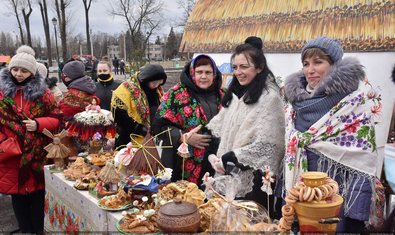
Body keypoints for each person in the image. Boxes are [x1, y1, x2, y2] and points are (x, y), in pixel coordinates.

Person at [280, 37, 384, 233]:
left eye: (318, 62)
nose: (310, 70)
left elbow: (362, 162)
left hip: (338, 201)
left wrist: (356, 218)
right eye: (305, 64)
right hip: (301, 196)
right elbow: (288, 155)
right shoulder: (295, 106)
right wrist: (283, 196)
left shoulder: (354, 106)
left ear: (335, 65)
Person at [206, 37, 285, 215]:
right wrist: (214, 155)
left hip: (254, 180)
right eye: (235, 67)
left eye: (244, 67)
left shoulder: (269, 97)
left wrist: (232, 157)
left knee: (249, 223)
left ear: (259, 67)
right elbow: (221, 126)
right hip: (229, 171)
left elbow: (271, 145)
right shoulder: (238, 93)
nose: (238, 72)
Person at [0, 45, 62, 234]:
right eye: (15, 69)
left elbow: (57, 119)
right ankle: (25, 229)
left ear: (32, 72)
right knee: (17, 196)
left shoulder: (43, 94)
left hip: (37, 153)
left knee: (37, 195)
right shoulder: (2, 94)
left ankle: (38, 229)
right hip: (11, 153)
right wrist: (3, 142)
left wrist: (38, 123)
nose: (19, 74)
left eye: (24, 70)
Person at [151, 54, 224, 185]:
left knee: (211, 202)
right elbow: (158, 127)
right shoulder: (176, 94)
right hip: (183, 163)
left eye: (208, 72)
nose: (203, 76)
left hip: (215, 162)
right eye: (199, 72)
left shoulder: (222, 95)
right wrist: (183, 137)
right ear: (192, 73)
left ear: (214, 74)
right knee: (184, 201)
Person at [111, 64, 167, 147]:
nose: (157, 85)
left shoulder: (156, 91)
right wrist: (140, 129)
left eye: (160, 82)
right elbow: (120, 117)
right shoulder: (126, 89)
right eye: (154, 82)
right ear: (146, 79)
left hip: (151, 138)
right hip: (129, 139)